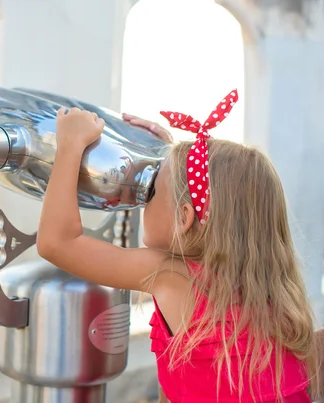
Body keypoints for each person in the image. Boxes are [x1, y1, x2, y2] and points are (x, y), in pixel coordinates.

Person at [36, 90, 321, 402]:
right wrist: (169, 157)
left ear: (184, 218)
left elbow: (57, 243)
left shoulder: (173, 277)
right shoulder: (266, 292)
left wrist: (70, 146)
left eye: (153, 191)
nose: (144, 199)